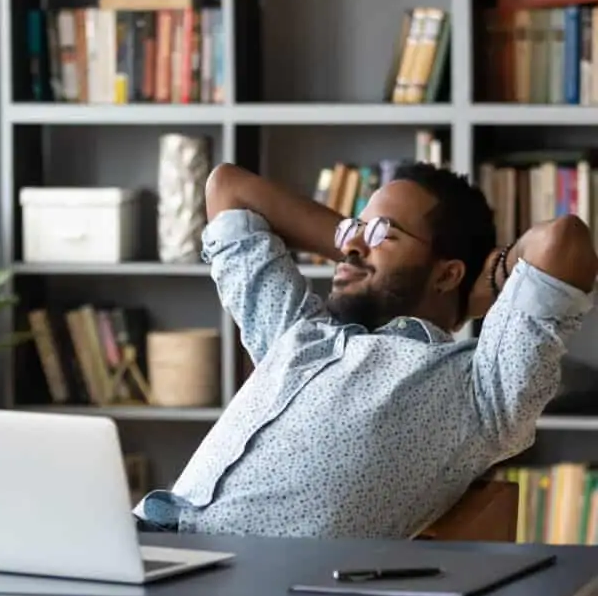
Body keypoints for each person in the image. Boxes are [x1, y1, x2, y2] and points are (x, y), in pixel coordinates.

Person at [134, 162, 596, 539]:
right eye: (353, 227)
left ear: (447, 273)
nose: (349, 245)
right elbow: (228, 188)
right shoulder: (297, 331)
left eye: (384, 233)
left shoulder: (479, 389)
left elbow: (563, 241)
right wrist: (358, 240)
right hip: (145, 548)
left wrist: (490, 278)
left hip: (246, 593)